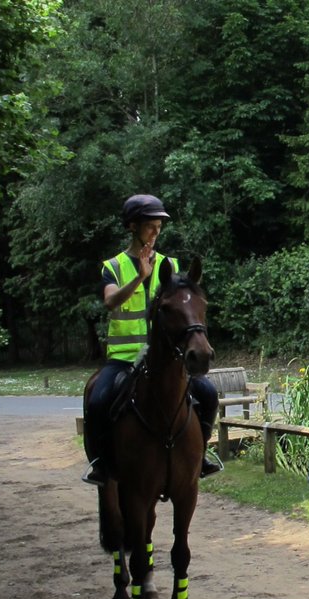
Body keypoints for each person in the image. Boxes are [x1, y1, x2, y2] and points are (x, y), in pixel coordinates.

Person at [83, 194, 221, 486]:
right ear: (132, 227)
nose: (156, 233)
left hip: (165, 358)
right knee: (97, 399)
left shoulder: (169, 264)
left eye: (159, 226)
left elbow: (183, 305)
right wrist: (138, 278)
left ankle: (201, 455)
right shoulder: (114, 266)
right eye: (150, 226)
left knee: (207, 393)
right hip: (124, 358)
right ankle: (100, 463)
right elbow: (110, 302)